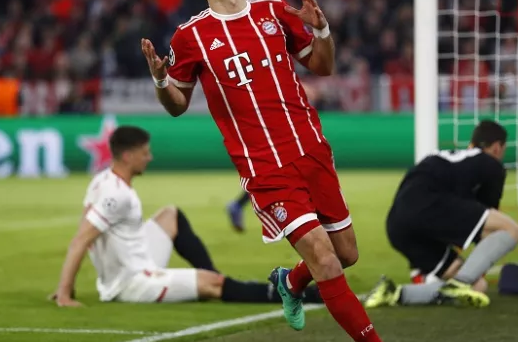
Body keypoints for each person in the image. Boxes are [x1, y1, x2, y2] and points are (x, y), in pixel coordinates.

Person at [138, 0, 441, 342]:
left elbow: (324, 66)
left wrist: (321, 31)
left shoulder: (275, 12)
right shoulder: (190, 37)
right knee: (324, 258)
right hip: (265, 168)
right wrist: (163, 80)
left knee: (346, 255)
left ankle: (289, 281)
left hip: (312, 152)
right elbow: (177, 106)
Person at [51, 126, 322, 306]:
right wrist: (65, 293)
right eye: (145, 153)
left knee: (170, 214)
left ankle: (211, 275)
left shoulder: (103, 181)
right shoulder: (116, 195)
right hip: (131, 283)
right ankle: (302, 294)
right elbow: (80, 240)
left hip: (135, 257)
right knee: (213, 285)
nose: (151, 158)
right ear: (127, 155)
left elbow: (85, 225)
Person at [364, 120, 518, 309]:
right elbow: (489, 226)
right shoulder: (491, 165)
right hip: (430, 205)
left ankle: (395, 293)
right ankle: (461, 282)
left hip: (396, 224)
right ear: (497, 147)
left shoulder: (448, 158)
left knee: (478, 287)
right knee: (512, 230)